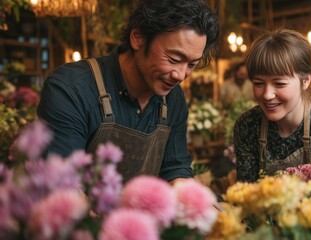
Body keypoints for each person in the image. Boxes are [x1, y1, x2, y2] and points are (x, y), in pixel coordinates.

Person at [37, 0, 220, 184]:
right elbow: (62, 184)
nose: (180, 75)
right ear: (138, 38)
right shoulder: (72, 88)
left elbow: (175, 169)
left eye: (191, 65)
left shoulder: (173, 98)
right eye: (173, 59)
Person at [233, 29, 311, 183]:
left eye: (279, 84)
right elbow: (246, 194)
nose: (267, 95)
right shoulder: (248, 125)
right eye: (258, 83)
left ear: (305, 81)